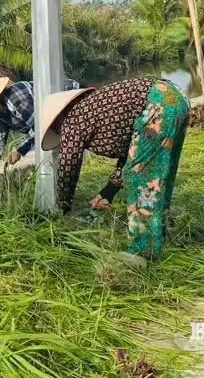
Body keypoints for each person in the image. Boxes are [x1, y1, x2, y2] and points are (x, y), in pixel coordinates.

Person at [39, 76, 190, 264]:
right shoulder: (94, 107)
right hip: (175, 98)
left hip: (157, 105)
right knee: (160, 173)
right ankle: (157, 235)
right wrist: (107, 193)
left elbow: (68, 165)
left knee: (141, 178)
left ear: (58, 118)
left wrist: (63, 204)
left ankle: (141, 252)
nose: (60, 133)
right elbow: (131, 153)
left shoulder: (72, 119)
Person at [0, 76, 79, 184]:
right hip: (59, 122)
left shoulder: (16, 96)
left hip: (74, 102)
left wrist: (19, 150)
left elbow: (40, 125)